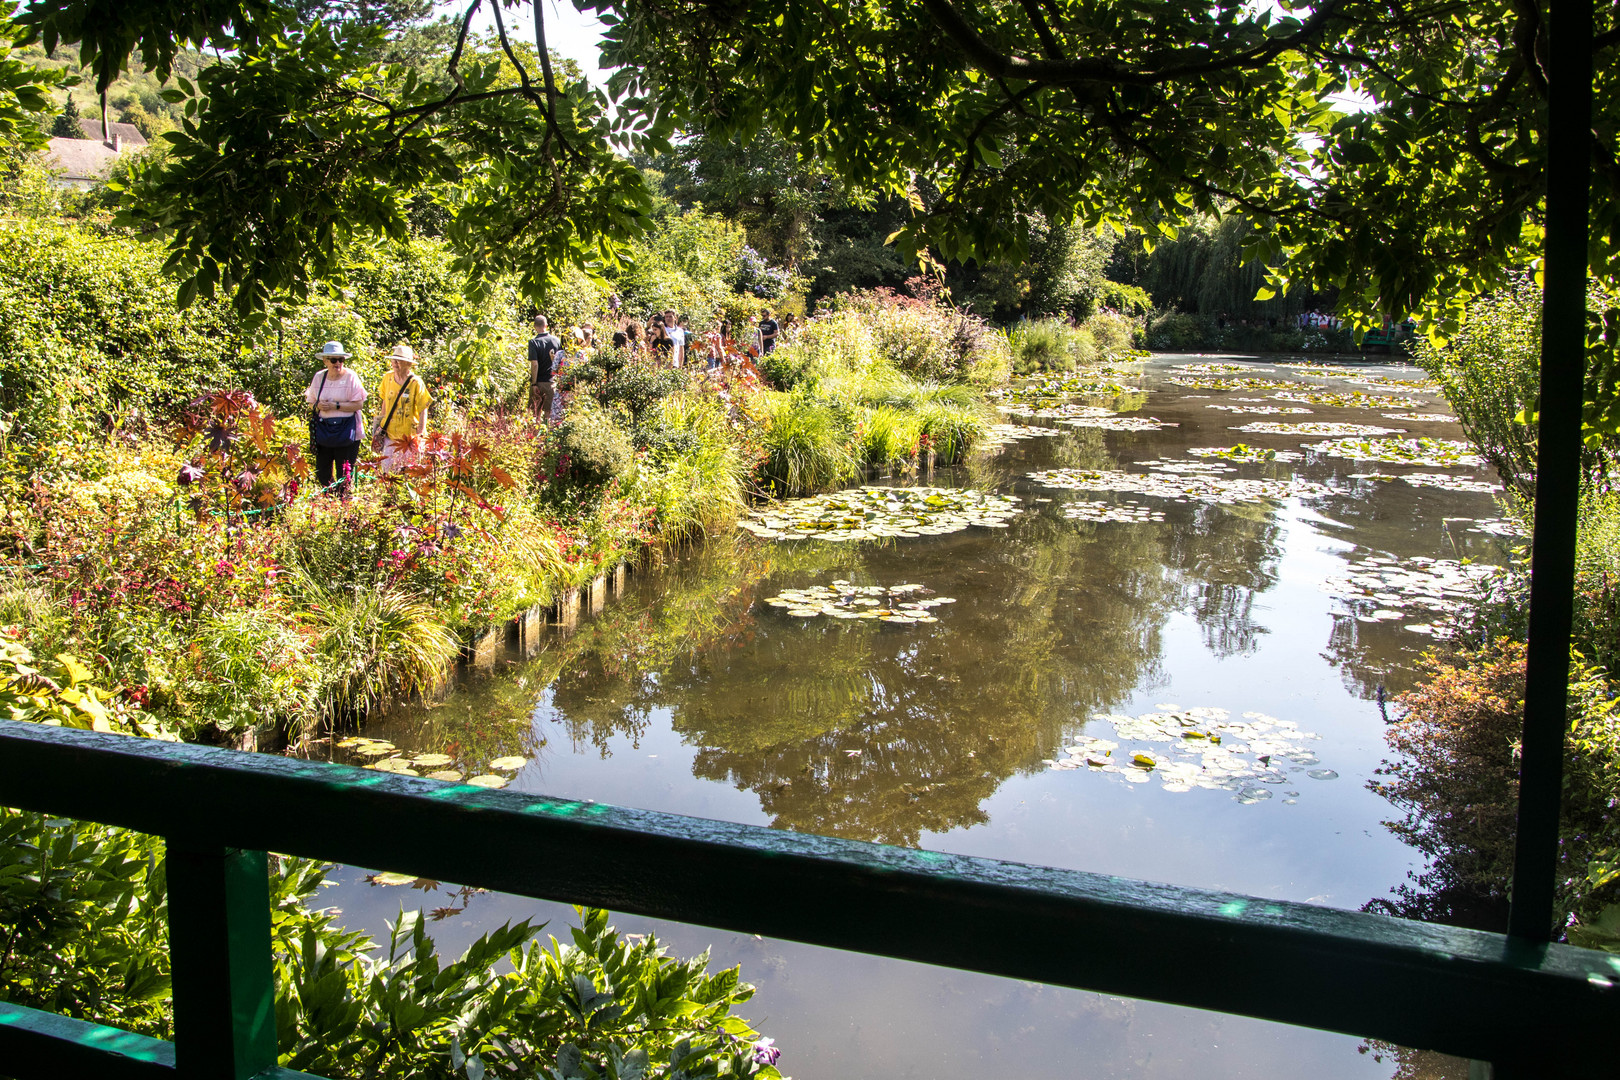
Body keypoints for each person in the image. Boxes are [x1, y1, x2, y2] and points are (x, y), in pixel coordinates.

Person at [305, 340, 367, 494]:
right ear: (325, 361)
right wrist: (318, 406)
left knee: (344, 473)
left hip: (347, 432)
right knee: (323, 473)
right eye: (333, 360)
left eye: (341, 359)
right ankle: (329, 502)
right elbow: (310, 402)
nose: (337, 363)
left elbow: (359, 404)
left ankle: (344, 504)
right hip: (324, 431)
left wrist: (336, 406)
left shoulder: (351, 377)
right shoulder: (319, 377)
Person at [373, 343, 431, 474]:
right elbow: (384, 402)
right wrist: (380, 424)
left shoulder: (415, 382)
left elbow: (423, 407)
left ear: (408, 364)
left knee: (407, 472)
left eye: (399, 361)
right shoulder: (387, 378)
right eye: (394, 360)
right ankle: (388, 494)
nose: (395, 363)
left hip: (408, 438)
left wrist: (421, 433)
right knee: (387, 472)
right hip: (389, 434)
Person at [528, 315, 562, 419]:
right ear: (546, 325)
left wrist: (534, 383)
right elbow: (560, 362)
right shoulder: (556, 341)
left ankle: (535, 433)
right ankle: (547, 434)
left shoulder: (533, 342)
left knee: (535, 413)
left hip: (538, 382)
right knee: (548, 413)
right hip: (552, 382)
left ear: (534, 326)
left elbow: (534, 364)